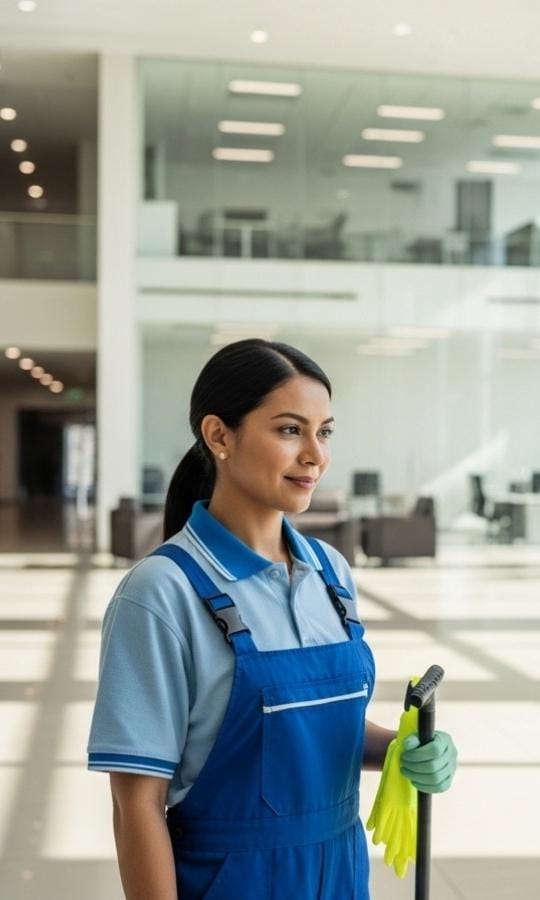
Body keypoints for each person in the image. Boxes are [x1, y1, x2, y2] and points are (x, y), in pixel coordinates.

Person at [87, 339, 458, 898]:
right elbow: (136, 804)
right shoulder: (161, 593)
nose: (316, 454)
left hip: (339, 874)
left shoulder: (330, 574)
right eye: (290, 430)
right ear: (219, 436)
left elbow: (306, 731)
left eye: (324, 431)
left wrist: (397, 748)